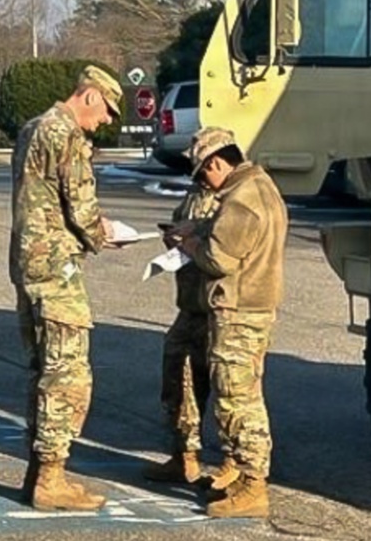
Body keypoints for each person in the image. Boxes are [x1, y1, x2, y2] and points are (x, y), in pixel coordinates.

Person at [9, 64, 123, 512]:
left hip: (30, 261)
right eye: (108, 109)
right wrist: (104, 233)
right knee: (67, 373)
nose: (108, 120)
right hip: (56, 267)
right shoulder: (66, 134)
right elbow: (79, 204)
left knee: (42, 368)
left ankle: (38, 473)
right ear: (90, 96)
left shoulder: (33, 127)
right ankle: (51, 477)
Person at [169, 127, 288, 519]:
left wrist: (189, 244)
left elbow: (220, 259)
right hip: (251, 308)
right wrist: (199, 229)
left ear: (217, 163)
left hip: (239, 312)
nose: (204, 182)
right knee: (240, 393)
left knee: (239, 400)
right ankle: (243, 478)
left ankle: (253, 485)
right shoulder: (260, 186)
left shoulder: (241, 198)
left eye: (204, 173)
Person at [141, 136, 221, 485]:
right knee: (178, 376)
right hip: (188, 304)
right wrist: (172, 237)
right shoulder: (195, 193)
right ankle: (183, 455)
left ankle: (237, 466)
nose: (197, 170)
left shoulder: (232, 198)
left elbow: (227, 244)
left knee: (227, 389)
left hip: (217, 307)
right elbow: (182, 224)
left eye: (202, 163)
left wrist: (194, 237)